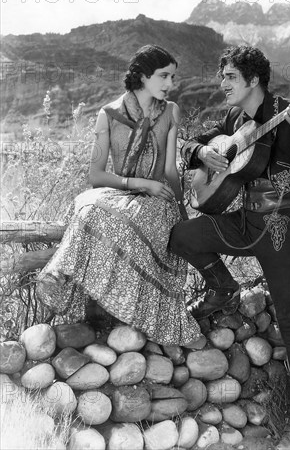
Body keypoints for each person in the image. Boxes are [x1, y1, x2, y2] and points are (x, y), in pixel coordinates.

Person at [169, 45, 290, 449]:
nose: (222, 83)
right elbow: (193, 144)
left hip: (285, 228)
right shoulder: (234, 118)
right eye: (222, 76)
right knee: (181, 236)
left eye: (229, 76)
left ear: (253, 80)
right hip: (245, 222)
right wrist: (204, 152)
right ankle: (222, 287)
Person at [37, 45, 201, 346]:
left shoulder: (171, 112)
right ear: (141, 75)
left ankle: (127, 311)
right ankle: (61, 276)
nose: (170, 84)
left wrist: (180, 210)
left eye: (173, 78)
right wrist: (137, 183)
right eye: (163, 76)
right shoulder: (108, 115)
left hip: (156, 199)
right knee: (87, 206)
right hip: (119, 191)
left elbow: (169, 170)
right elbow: (95, 175)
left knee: (129, 220)